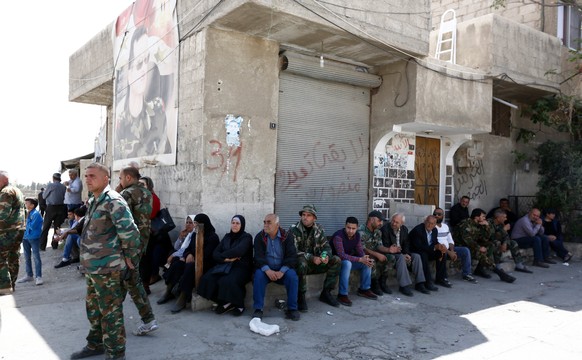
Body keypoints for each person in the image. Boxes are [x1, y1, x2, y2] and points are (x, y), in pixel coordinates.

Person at [70, 162, 140, 360]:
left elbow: (131, 234)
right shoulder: (94, 199)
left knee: (111, 313)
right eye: (86, 176)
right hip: (93, 268)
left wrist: (129, 261)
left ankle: (116, 354)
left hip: (108, 269)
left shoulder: (113, 200)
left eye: (92, 175)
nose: (87, 179)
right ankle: (96, 344)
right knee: (93, 309)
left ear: (106, 178)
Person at [115, 26, 170, 159]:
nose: (144, 70)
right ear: (129, 73)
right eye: (139, 63)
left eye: (146, 61)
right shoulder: (121, 121)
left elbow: (165, 151)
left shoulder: (157, 110)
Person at [118, 166, 158, 336]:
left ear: (128, 177)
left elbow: (119, 218)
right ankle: (146, 319)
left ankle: (147, 319)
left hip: (128, 244)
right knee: (129, 280)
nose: (119, 181)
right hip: (142, 242)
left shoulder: (127, 194)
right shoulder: (147, 193)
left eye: (120, 178)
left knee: (128, 280)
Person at [198, 215, 253, 316]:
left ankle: (239, 304)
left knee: (227, 281)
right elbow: (215, 253)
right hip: (225, 264)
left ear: (242, 225)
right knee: (207, 279)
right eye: (233, 223)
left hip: (241, 266)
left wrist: (222, 255)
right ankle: (226, 302)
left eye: (237, 223)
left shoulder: (246, 237)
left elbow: (239, 250)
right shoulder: (227, 237)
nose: (235, 225)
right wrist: (225, 258)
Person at [290, 204, 340, 310]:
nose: (305, 217)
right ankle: (301, 296)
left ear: (314, 218)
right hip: (303, 265)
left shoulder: (319, 229)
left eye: (308, 215)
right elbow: (294, 251)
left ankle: (326, 293)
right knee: (301, 262)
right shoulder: (294, 229)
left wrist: (325, 256)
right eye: (303, 214)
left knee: (336, 260)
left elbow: (326, 246)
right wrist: (312, 258)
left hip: (317, 263)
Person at [252, 214, 300, 321]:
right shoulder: (260, 237)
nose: (266, 225)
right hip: (266, 270)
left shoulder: (287, 237)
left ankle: (292, 308)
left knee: (292, 276)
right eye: (264, 222)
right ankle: (258, 309)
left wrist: (282, 271)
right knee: (258, 275)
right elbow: (258, 257)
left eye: (269, 222)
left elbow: (292, 256)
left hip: (282, 270)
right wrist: (267, 270)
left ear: (277, 225)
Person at [168, 213, 219, 313]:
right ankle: (168, 290)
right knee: (177, 263)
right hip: (193, 260)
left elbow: (206, 255)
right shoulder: (195, 234)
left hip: (206, 264)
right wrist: (188, 255)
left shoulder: (213, 237)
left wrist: (193, 257)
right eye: (194, 223)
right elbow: (188, 249)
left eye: (197, 223)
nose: (194, 225)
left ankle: (183, 296)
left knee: (190, 267)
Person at [454, 209, 515, 283]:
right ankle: (499, 272)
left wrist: (486, 226)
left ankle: (480, 269)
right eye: (483, 216)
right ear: (476, 217)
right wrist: (479, 247)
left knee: (490, 244)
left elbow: (486, 238)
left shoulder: (478, 224)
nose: (485, 218)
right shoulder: (465, 224)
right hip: (461, 246)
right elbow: (468, 241)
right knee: (479, 253)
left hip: (471, 245)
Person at [330, 217, 377, 306]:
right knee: (347, 263)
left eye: (353, 228)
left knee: (366, 263)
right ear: (345, 226)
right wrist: (360, 259)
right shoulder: (338, 236)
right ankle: (342, 294)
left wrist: (365, 258)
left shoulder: (357, 236)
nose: (351, 231)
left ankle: (364, 289)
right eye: (349, 228)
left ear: (357, 228)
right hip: (336, 262)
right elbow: (341, 255)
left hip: (349, 260)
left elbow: (360, 250)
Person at [379, 213, 428, 296]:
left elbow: (406, 243)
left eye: (397, 222)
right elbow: (387, 246)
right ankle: (404, 286)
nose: (394, 223)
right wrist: (402, 254)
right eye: (393, 221)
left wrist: (407, 254)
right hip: (390, 253)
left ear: (402, 223)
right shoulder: (385, 229)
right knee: (401, 257)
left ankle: (420, 283)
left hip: (401, 253)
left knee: (417, 256)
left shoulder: (404, 229)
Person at [139, 176, 172, 286]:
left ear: (148, 186)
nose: (141, 187)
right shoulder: (140, 198)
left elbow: (152, 214)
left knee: (154, 256)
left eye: (143, 184)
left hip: (157, 233)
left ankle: (154, 275)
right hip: (147, 233)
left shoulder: (153, 197)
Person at [157, 215, 196, 305]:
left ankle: (178, 293)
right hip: (183, 256)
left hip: (188, 260)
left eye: (191, 223)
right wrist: (180, 237)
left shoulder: (194, 235)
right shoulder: (188, 234)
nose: (188, 225)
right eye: (187, 222)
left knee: (175, 262)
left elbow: (185, 250)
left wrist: (174, 255)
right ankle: (169, 291)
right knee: (173, 260)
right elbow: (177, 247)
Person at [433, 208, 477, 283]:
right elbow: (436, 243)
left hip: (449, 249)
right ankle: (443, 278)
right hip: (439, 249)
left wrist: (452, 251)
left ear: (443, 216)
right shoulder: (432, 227)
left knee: (465, 250)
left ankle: (467, 274)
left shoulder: (445, 226)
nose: (436, 216)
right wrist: (449, 252)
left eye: (439, 214)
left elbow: (450, 240)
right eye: (435, 214)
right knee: (443, 252)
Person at [0, 171, 25, 295]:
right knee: (13, 257)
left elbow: (2, 215)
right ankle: (12, 285)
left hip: (7, 231)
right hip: (19, 229)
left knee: (1, 257)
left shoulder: (5, 192)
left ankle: (4, 287)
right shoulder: (17, 190)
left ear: (4, 180)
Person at [409, 215, 449, 290]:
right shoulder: (418, 230)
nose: (429, 225)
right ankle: (427, 282)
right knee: (423, 255)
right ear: (425, 222)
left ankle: (440, 278)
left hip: (427, 250)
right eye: (428, 222)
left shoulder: (434, 230)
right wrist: (434, 247)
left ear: (435, 225)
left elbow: (434, 242)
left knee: (442, 253)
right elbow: (419, 247)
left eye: (432, 224)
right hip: (416, 251)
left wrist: (440, 247)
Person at [359, 210, 394, 296]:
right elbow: (362, 249)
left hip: (374, 254)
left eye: (382, 221)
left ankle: (382, 282)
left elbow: (379, 246)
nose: (381, 223)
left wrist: (389, 250)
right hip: (363, 255)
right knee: (371, 259)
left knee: (391, 258)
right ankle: (374, 284)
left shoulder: (378, 231)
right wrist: (377, 254)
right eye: (379, 221)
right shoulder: (361, 231)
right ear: (371, 220)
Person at [489, 209, 533, 274]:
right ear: (498, 218)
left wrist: (505, 243)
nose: (506, 219)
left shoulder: (501, 223)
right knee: (497, 243)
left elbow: (506, 236)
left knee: (513, 243)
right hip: (489, 242)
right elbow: (491, 237)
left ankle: (519, 265)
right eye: (504, 217)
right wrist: (503, 230)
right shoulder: (489, 223)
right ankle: (497, 266)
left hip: (499, 241)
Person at [16, 198, 43, 286]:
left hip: (34, 238)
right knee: (27, 257)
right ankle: (29, 275)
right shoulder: (27, 213)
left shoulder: (36, 214)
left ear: (32, 205)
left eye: (27, 203)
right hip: (26, 238)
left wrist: (25, 222)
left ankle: (38, 276)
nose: (25, 204)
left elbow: (33, 226)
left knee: (36, 257)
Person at [40, 172, 67, 250]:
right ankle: (54, 244)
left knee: (46, 227)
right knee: (57, 228)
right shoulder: (63, 187)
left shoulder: (50, 185)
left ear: (53, 178)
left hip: (51, 208)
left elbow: (44, 196)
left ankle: (42, 246)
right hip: (61, 207)